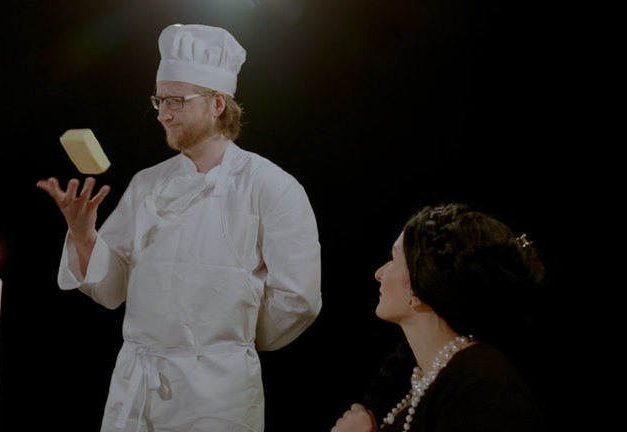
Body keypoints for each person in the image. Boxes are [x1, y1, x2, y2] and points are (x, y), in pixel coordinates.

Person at [36, 23, 322, 432]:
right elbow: (112, 289)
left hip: (217, 397)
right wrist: (84, 235)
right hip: (137, 388)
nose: (162, 113)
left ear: (217, 104)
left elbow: (298, 298)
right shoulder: (147, 183)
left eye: (176, 101)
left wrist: (228, 342)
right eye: (159, 99)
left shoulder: (271, 187)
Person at [331, 202, 547, 432]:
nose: (379, 273)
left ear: (417, 288)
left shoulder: (483, 386)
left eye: (393, 259)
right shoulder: (432, 381)